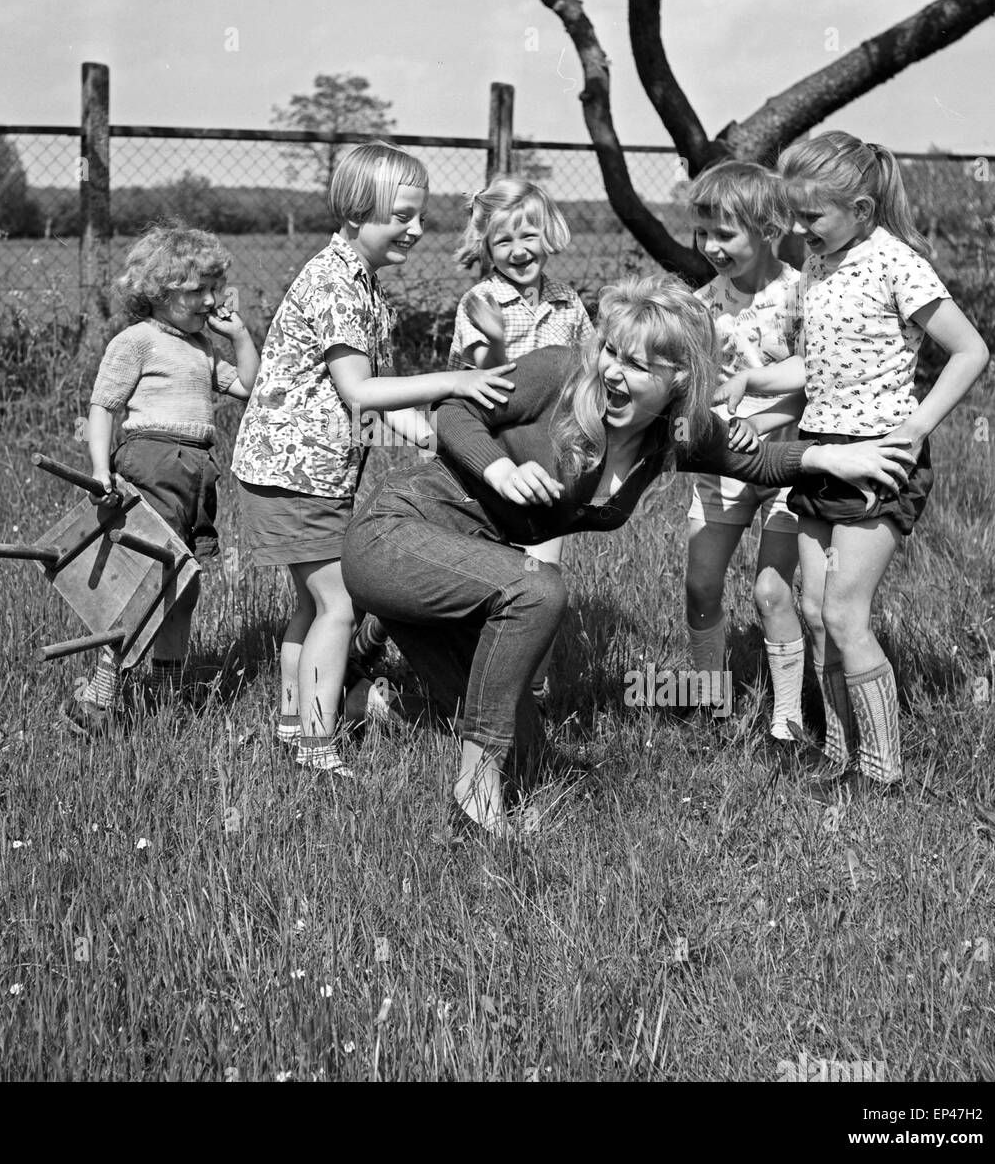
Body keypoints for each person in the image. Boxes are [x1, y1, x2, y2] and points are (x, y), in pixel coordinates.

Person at [340, 274, 915, 838]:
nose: (612, 369)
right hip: (394, 535)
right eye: (611, 351)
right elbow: (455, 411)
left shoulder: (674, 434)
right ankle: (474, 794)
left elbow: (760, 464)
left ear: (679, 378)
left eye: (637, 365)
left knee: (534, 757)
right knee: (537, 589)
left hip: (464, 572)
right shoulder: (560, 373)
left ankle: (369, 700)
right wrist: (501, 467)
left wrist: (830, 460)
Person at [231, 141, 515, 778]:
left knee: (311, 604)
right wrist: (455, 382)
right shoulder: (336, 283)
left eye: (419, 215)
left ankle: (291, 724)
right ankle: (315, 745)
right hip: (293, 475)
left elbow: (380, 394)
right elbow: (360, 391)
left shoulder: (359, 281)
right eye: (403, 217)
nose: (417, 229)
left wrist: (441, 441)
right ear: (359, 213)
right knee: (340, 606)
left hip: (300, 472)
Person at [718, 131, 989, 795]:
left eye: (813, 216)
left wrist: (916, 428)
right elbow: (828, 360)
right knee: (813, 610)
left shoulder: (897, 263)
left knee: (844, 613)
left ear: (862, 210)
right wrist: (754, 384)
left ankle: (883, 770)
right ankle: (838, 752)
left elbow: (970, 351)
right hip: (821, 451)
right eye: (796, 215)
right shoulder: (819, 262)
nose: (799, 230)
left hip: (877, 461)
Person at [352, 177, 594, 701]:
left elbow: (586, 375)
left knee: (543, 575)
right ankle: (379, 629)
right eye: (502, 241)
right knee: (472, 572)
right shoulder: (480, 300)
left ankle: (532, 693)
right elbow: (485, 384)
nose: (518, 250)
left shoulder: (569, 303)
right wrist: (497, 339)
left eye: (528, 235)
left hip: (546, 468)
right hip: (485, 462)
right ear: (485, 247)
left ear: (549, 234)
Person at [67, 225, 260, 736]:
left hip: (197, 471)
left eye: (215, 288)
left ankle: (167, 693)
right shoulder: (137, 341)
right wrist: (100, 469)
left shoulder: (199, 348)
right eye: (197, 290)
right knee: (144, 579)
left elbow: (247, 385)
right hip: (151, 461)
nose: (211, 300)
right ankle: (103, 690)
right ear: (159, 290)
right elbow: (104, 404)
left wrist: (239, 335)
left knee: (185, 584)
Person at [683, 162, 806, 737]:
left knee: (770, 590)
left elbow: (816, 388)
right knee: (701, 585)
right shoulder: (701, 306)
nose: (710, 246)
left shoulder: (804, 297)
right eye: (701, 233)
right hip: (722, 468)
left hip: (787, 466)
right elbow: (694, 389)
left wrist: (760, 423)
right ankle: (710, 700)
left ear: (769, 228)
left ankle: (787, 721)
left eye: (724, 234)